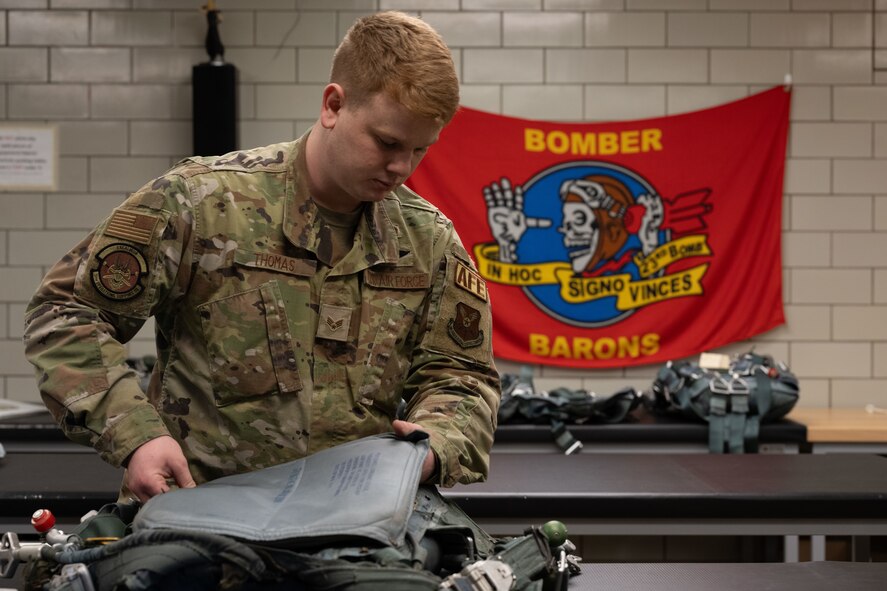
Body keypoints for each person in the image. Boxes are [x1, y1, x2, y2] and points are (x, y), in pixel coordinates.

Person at [23, 11, 500, 503]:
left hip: (354, 521)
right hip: (197, 515)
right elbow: (65, 314)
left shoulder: (427, 240)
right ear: (333, 105)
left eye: (420, 150)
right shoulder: (203, 203)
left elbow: (461, 375)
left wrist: (434, 445)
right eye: (387, 142)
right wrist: (137, 435)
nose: (401, 167)